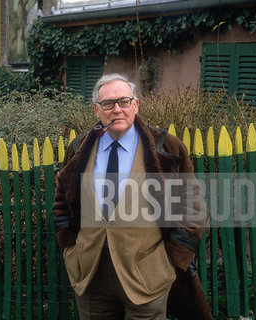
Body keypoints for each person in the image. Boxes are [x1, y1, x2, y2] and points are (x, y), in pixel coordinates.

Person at [53, 73, 212, 320]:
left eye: (124, 102)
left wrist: (169, 262)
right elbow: (62, 202)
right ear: (97, 110)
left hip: (148, 276)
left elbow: (192, 209)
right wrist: (69, 250)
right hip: (90, 276)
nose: (116, 109)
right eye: (108, 103)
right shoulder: (78, 148)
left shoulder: (167, 147)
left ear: (135, 105)